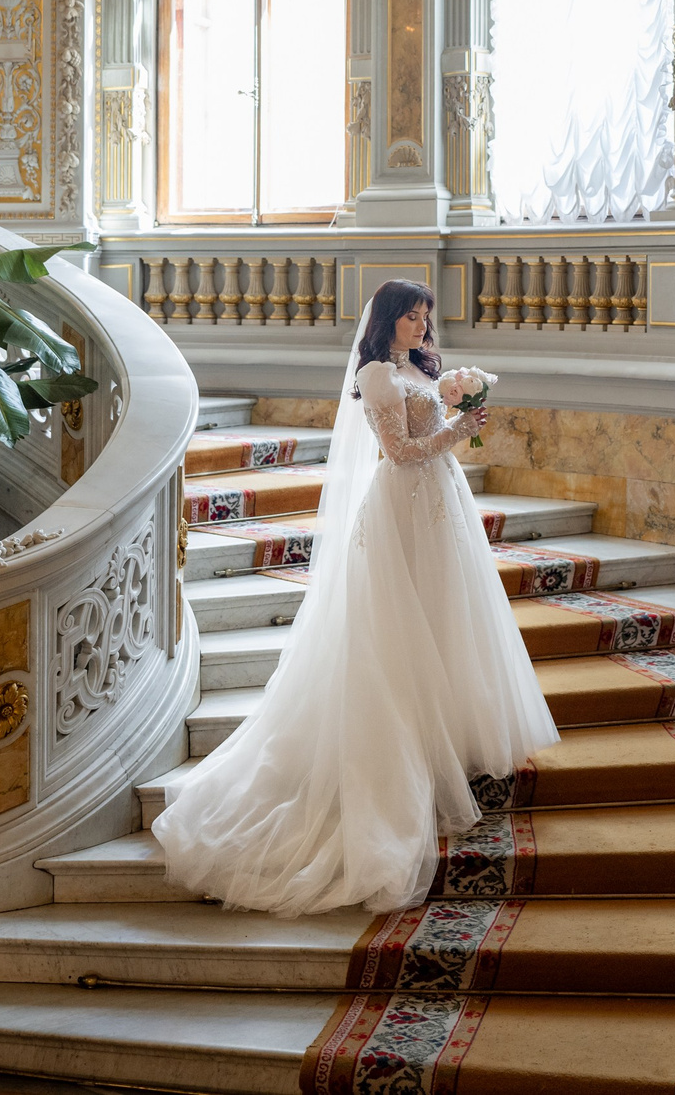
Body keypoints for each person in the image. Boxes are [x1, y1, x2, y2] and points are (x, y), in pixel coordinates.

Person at [154, 280, 558, 915]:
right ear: (388, 321)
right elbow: (396, 454)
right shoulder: (374, 374)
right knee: (402, 628)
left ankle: (455, 741)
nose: (423, 323)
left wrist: (458, 415)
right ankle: (409, 758)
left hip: (441, 502)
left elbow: (430, 438)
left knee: (449, 616)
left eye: (427, 312)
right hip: (403, 506)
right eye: (411, 314)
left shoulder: (417, 367)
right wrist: (457, 430)